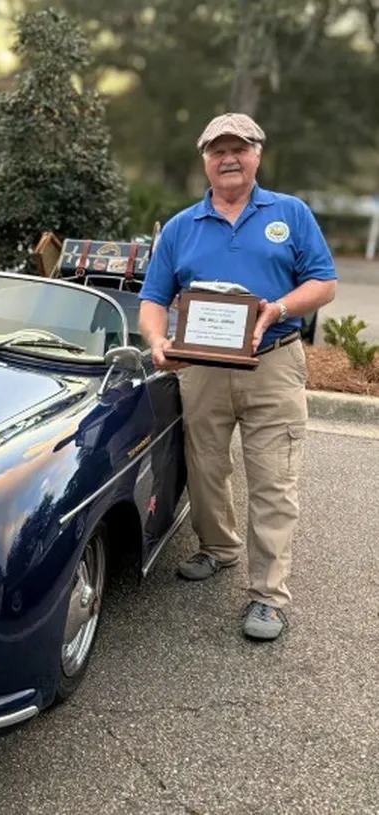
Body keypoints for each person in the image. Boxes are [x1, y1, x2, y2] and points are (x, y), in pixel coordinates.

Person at [138, 112, 337, 641]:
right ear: (205, 160)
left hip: (273, 363)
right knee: (205, 468)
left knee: (273, 480)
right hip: (200, 369)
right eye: (218, 150)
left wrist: (278, 309)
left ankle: (268, 596)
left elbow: (324, 282)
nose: (229, 158)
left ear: (257, 154)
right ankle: (219, 548)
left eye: (239, 148)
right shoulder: (181, 227)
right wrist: (157, 341)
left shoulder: (290, 214)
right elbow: (154, 298)